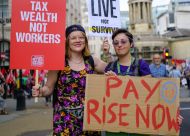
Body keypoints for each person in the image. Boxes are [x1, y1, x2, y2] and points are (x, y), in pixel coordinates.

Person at [104, 29, 183, 136]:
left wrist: (172, 115)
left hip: (139, 125)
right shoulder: (110, 67)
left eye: (123, 42)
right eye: (116, 43)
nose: (119, 45)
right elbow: (104, 98)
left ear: (131, 44)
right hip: (115, 126)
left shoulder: (141, 65)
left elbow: (152, 96)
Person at [32, 24, 107, 136]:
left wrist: (106, 53)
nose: (78, 40)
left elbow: (113, 70)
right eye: (73, 38)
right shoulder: (58, 62)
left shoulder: (92, 61)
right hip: (64, 121)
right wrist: (41, 91)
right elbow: (48, 88)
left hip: (89, 120)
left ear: (85, 41)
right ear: (67, 41)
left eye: (81, 37)